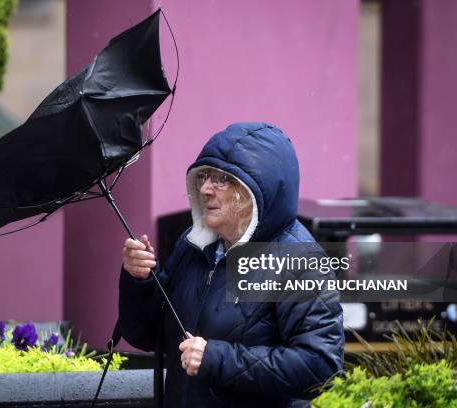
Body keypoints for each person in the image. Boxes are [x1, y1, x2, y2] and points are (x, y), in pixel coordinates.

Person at [119, 122, 344, 407]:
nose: (205, 189)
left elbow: (320, 367)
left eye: (221, 179)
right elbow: (146, 336)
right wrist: (139, 280)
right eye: (203, 177)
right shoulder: (194, 245)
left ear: (257, 190)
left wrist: (216, 359)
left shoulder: (299, 260)